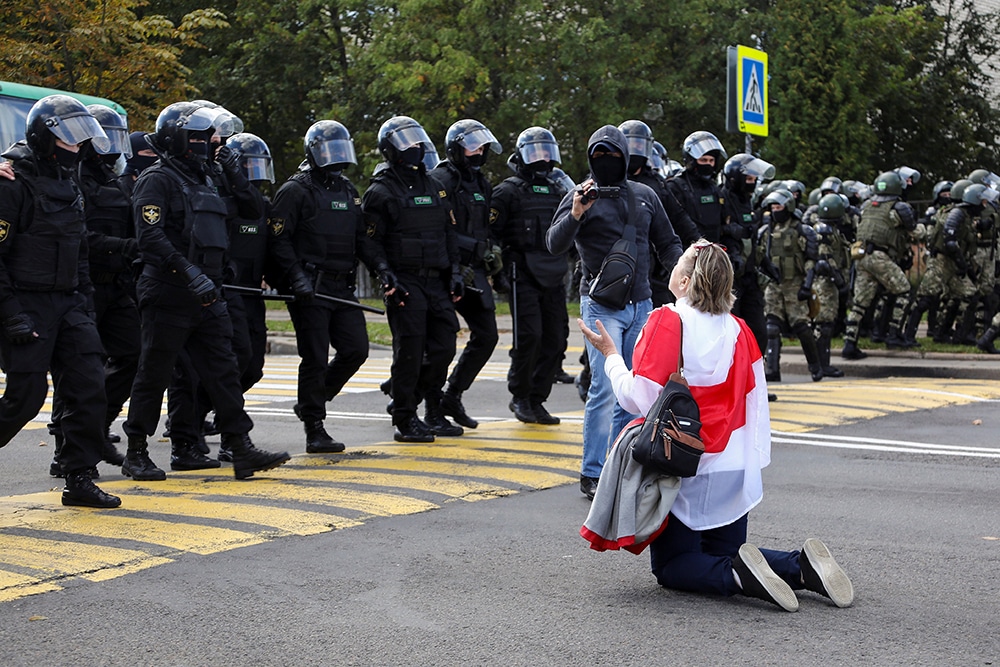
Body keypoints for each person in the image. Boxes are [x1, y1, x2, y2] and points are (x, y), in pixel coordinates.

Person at [579, 240, 854, 611]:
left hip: (683, 464)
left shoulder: (667, 321)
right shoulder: (741, 330)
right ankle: (801, 567)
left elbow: (637, 399)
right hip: (732, 467)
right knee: (723, 551)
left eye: (676, 265)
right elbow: (756, 405)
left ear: (685, 281)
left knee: (672, 567)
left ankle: (742, 579)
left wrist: (612, 357)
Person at [122, 101, 290, 480]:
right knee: (154, 372)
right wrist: (188, 272)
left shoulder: (209, 178)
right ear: (183, 139)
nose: (217, 141)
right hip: (169, 290)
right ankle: (136, 450)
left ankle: (241, 446)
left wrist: (233, 171)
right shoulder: (157, 179)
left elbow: (250, 209)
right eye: (207, 136)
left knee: (224, 370)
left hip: (208, 293)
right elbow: (150, 236)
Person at [547, 124, 683, 500]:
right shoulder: (580, 195)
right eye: (599, 155)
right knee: (605, 388)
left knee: (633, 389)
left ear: (626, 157)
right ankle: (592, 473)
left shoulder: (645, 195)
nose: (606, 161)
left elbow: (668, 243)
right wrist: (576, 213)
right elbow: (554, 244)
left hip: (641, 304)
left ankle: (618, 464)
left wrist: (686, 278)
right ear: (590, 158)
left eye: (613, 155)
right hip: (600, 307)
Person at [0, 95, 121, 507]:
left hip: (69, 302)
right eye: (68, 140)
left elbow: (79, 249)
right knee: (25, 399)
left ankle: (80, 477)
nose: (77, 148)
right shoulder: (11, 181)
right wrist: (11, 314)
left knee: (89, 388)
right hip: (26, 304)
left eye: (80, 140)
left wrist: (84, 303)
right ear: (44, 136)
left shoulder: (70, 181)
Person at [269, 120, 391, 451]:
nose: (336, 158)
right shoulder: (295, 191)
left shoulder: (347, 190)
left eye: (340, 150)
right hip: (310, 288)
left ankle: (314, 400)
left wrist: (380, 267)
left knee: (356, 350)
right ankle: (314, 427)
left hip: (342, 287)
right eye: (330, 150)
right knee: (316, 357)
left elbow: (360, 238)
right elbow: (279, 241)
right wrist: (296, 277)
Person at [362, 115, 462, 443]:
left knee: (445, 345)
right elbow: (369, 240)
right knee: (409, 351)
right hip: (405, 282)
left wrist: (456, 272)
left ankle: (410, 400)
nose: (415, 148)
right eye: (407, 143)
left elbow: (448, 233)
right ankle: (405, 418)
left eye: (418, 142)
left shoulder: (435, 186)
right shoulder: (381, 191)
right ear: (390, 149)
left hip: (436, 281)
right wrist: (384, 273)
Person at [491, 127, 570, 424]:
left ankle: (538, 398)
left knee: (556, 338)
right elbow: (492, 236)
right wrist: (496, 271)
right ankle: (520, 397)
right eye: (536, 152)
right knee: (530, 337)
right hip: (521, 274)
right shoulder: (507, 191)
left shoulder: (557, 190)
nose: (544, 159)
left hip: (553, 273)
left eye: (547, 152)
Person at [427, 119, 502, 432]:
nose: (479, 152)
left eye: (482, 147)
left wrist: (492, 254)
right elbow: (438, 229)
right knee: (439, 342)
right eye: (472, 146)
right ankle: (423, 403)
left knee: (487, 336)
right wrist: (458, 262)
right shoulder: (440, 179)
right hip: (446, 270)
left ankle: (453, 395)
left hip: (476, 271)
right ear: (456, 148)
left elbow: (486, 226)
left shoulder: (482, 183)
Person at [842, 171, 918, 358]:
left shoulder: (867, 205)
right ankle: (894, 334)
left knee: (860, 303)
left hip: (861, 255)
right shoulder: (898, 207)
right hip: (880, 257)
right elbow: (913, 230)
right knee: (904, 291)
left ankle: (849, 343)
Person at [758, 188, 824, 382]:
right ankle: (772, 369)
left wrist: (807, 284)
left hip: (795, 283)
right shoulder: (765, 231)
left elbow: (812, 259)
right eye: (773, 207)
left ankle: (815, 366)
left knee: (802, 326)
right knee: (771, 327)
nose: (776, 210)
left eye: (779, 206)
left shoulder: (801, 230)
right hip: (773, 284)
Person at [664, 131, 728, 246]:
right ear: (691, 161)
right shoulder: (675, 187)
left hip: (713, 252)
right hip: (687, 252)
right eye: (703, 160)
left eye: (711, 161)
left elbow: (723, 223)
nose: (708, 164)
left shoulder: (714, 189)